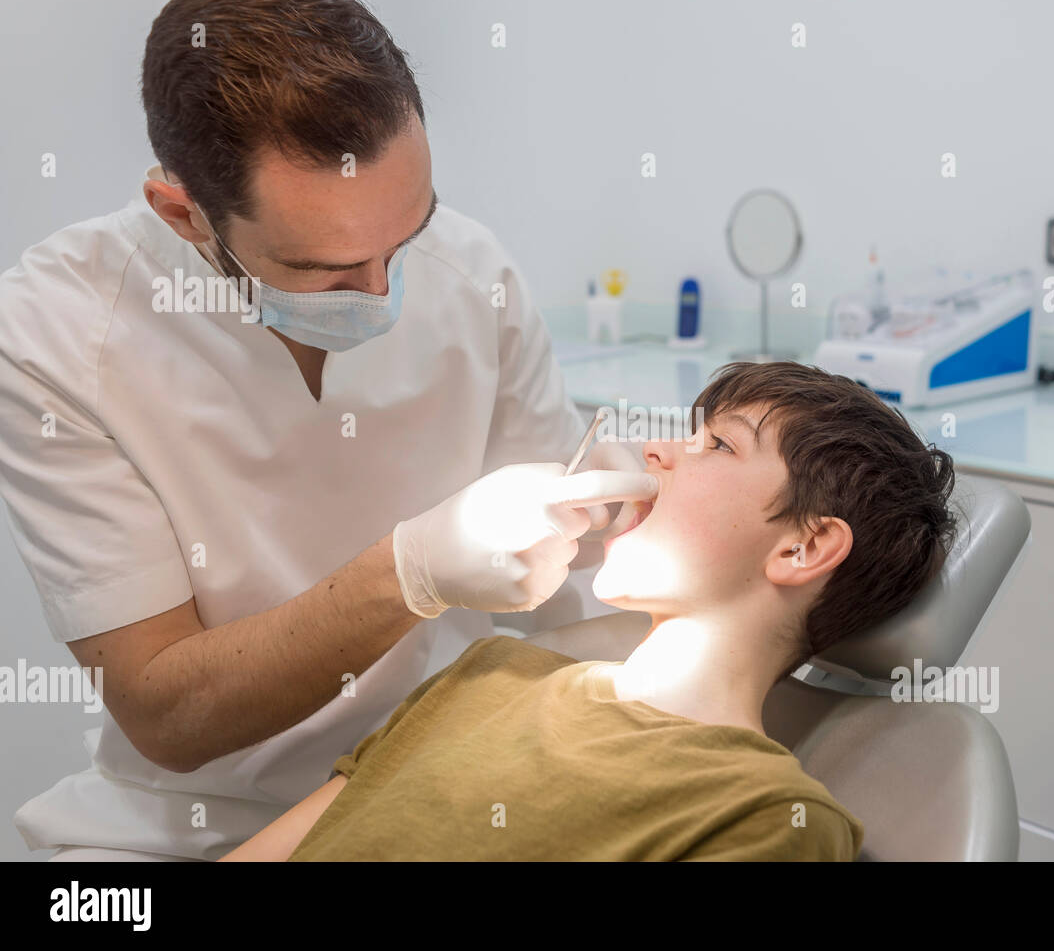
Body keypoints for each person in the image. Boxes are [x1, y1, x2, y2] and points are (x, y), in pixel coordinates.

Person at [0, 0, 651, 861]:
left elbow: (568, 599)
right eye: (329, 269)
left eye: (405, 236)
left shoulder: (474, 271)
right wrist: (408, 571)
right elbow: (165, 708)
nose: (384, 293)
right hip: (183, 826)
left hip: (437, 782)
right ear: (184, 213)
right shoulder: (56, 332)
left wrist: (608, 523)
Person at [219, 361, 960, 861]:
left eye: (717, 445)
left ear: (803, 546)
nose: (656, 451)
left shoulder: (766, 814)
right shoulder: (491, 670)